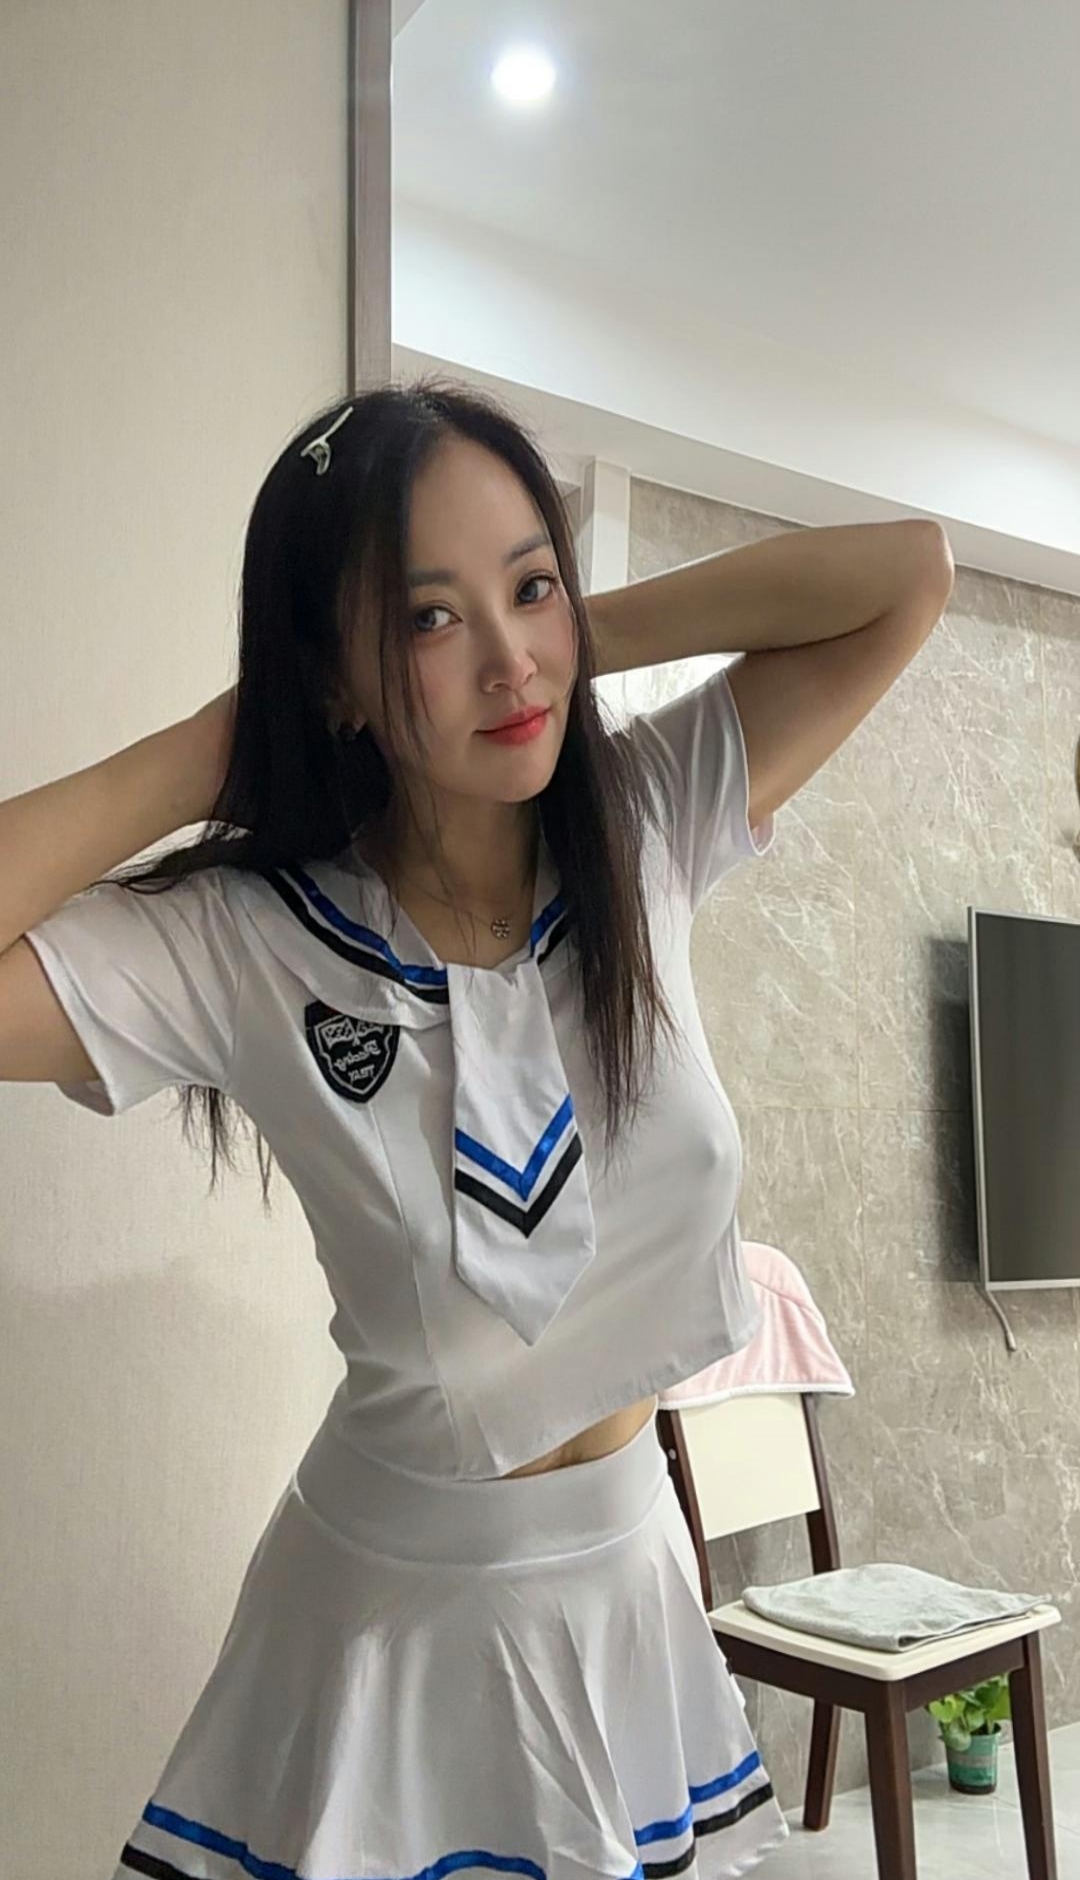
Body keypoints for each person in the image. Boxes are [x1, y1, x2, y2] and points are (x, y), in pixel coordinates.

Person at [0, 380, 954, 1879]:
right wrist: (221, 743)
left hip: (628, 1578)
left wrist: (569, 639)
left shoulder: (642, 821)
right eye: (428, 620)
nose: (504, 660)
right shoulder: (252, 942)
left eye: (528, 582)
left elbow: (909, 575)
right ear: (335, 675)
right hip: (393, 1622)